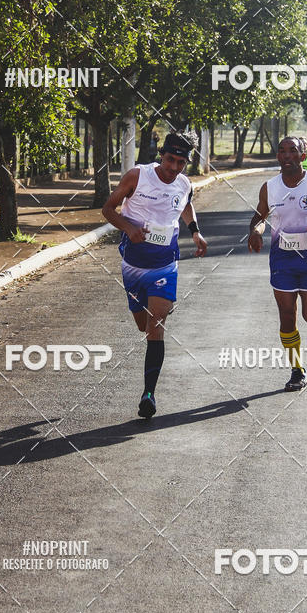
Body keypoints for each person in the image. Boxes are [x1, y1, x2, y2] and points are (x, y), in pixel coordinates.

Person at [102, 131, 207, 418]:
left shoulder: (184, 183)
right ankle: (149, 311)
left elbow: (185, 205)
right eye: (171, 160)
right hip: (134, 265)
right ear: (161, 154)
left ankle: (148, 394)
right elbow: (108, 209)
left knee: (155, 325)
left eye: (181, 162)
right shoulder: (137, 176)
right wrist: (128, 228)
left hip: (165, 264)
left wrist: (195, 233)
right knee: (142, 324)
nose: (174, 168)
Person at [247, 136, 307, 391]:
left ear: (303, 157)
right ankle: (297, 369)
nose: (287, 155)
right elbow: (259, 217)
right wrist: (256, 232)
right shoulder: (269, 187)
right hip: (282, 260)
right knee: (287, 316)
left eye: (293, 151)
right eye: (282, 151)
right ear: (278, 157)